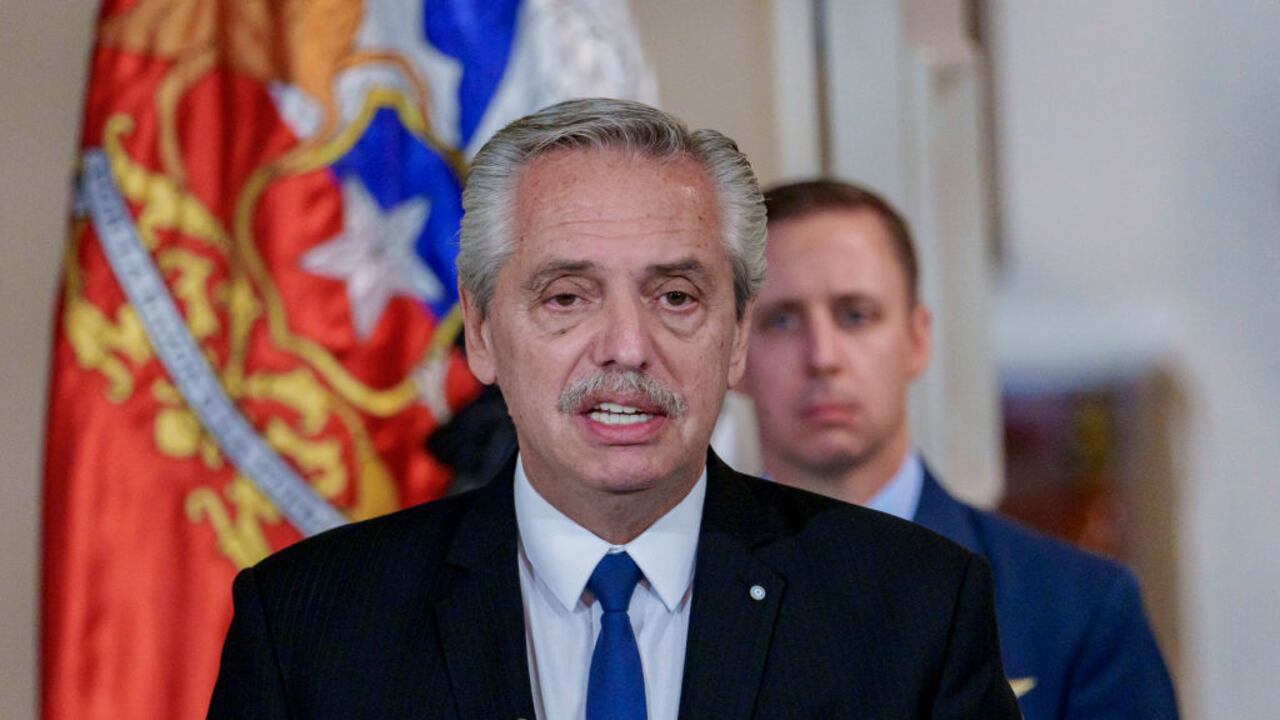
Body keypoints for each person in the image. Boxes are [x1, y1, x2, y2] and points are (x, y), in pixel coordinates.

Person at [207, 101, 1021, 719]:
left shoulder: (914, 610)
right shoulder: (311, 628)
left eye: (675, 296)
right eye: (567, 297)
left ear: (736, 337)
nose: (626, 346)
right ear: (483, 334)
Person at [738, 178, 1179, 720]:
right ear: (732, 351)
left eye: (856, 315)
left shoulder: (1076, 610)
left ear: (916, 339)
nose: (823, 356)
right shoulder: (674, 595)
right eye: (782, 320)